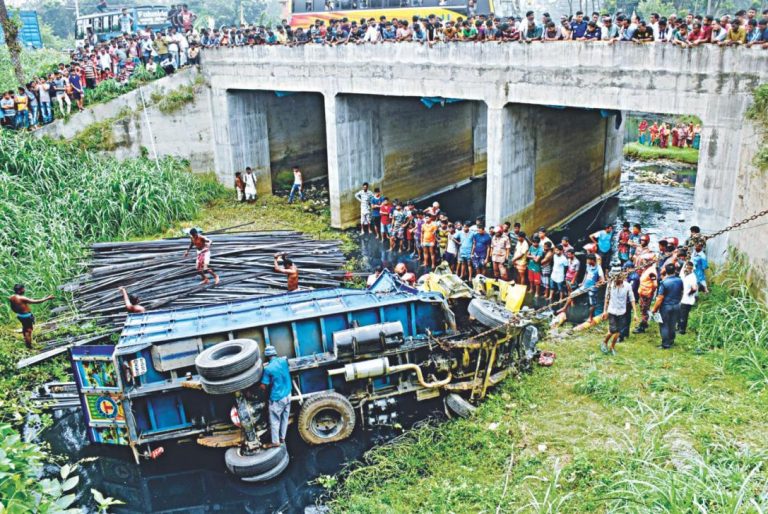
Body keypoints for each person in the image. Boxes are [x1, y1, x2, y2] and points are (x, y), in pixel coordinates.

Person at [260, 345, 291, 448]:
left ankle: (275, 442)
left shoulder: (268, 369)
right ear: (275, 353)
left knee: (275, 420)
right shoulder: (283, 361)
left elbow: (264, 386)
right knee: (284, 418)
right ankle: (282, 438)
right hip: (288, 395)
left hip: (277, 398)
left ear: (267, 356)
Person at [558, 253, 604, 323]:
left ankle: (590, 317)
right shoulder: (588, 265)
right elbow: (586, 273)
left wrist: (598, 284)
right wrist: (583, 282)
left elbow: (602, 280)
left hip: (593, 288)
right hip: (585, 286)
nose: (587, 261)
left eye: (588, 260)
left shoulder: (598, 268)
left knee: (592, 304)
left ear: (592, 260)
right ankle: (564, 308)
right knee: (572, 294)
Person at [601, 271, 638, 355]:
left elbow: (632, 299)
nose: (619, 281)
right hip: (612, 311)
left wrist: (635, 313)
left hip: (622, 312)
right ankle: (604, 342)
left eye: (620, 279)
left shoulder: (627, 286)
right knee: (612, 330)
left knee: (618, 332)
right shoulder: (610, 285)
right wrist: (604, 311)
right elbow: (606, 299)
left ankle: (612, 347)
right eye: (617, 279)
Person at [9, 285, 54, 349]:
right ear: (19, 291)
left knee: (25, 328)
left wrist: (16, 311)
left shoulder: (12, 297)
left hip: (20, 315)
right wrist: (47, 298)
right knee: (28, 330)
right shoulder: (22, 298)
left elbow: (12, 307)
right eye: (23, 289)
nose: (24, 290)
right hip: (26, 316)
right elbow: (36, 301)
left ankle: (26, 340)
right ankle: (29, 347)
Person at [678, 261, 698, 335]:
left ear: (692, 268)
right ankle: (680, 327)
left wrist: (688, 294)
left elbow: (694, 288)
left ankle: (682, 330)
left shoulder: (692, 277)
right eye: (686, 267)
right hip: (684, 299)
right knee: (681, 314)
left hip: (688, 300)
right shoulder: (686, 275)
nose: (686, 269)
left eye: (689, 268)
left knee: (684, 315)